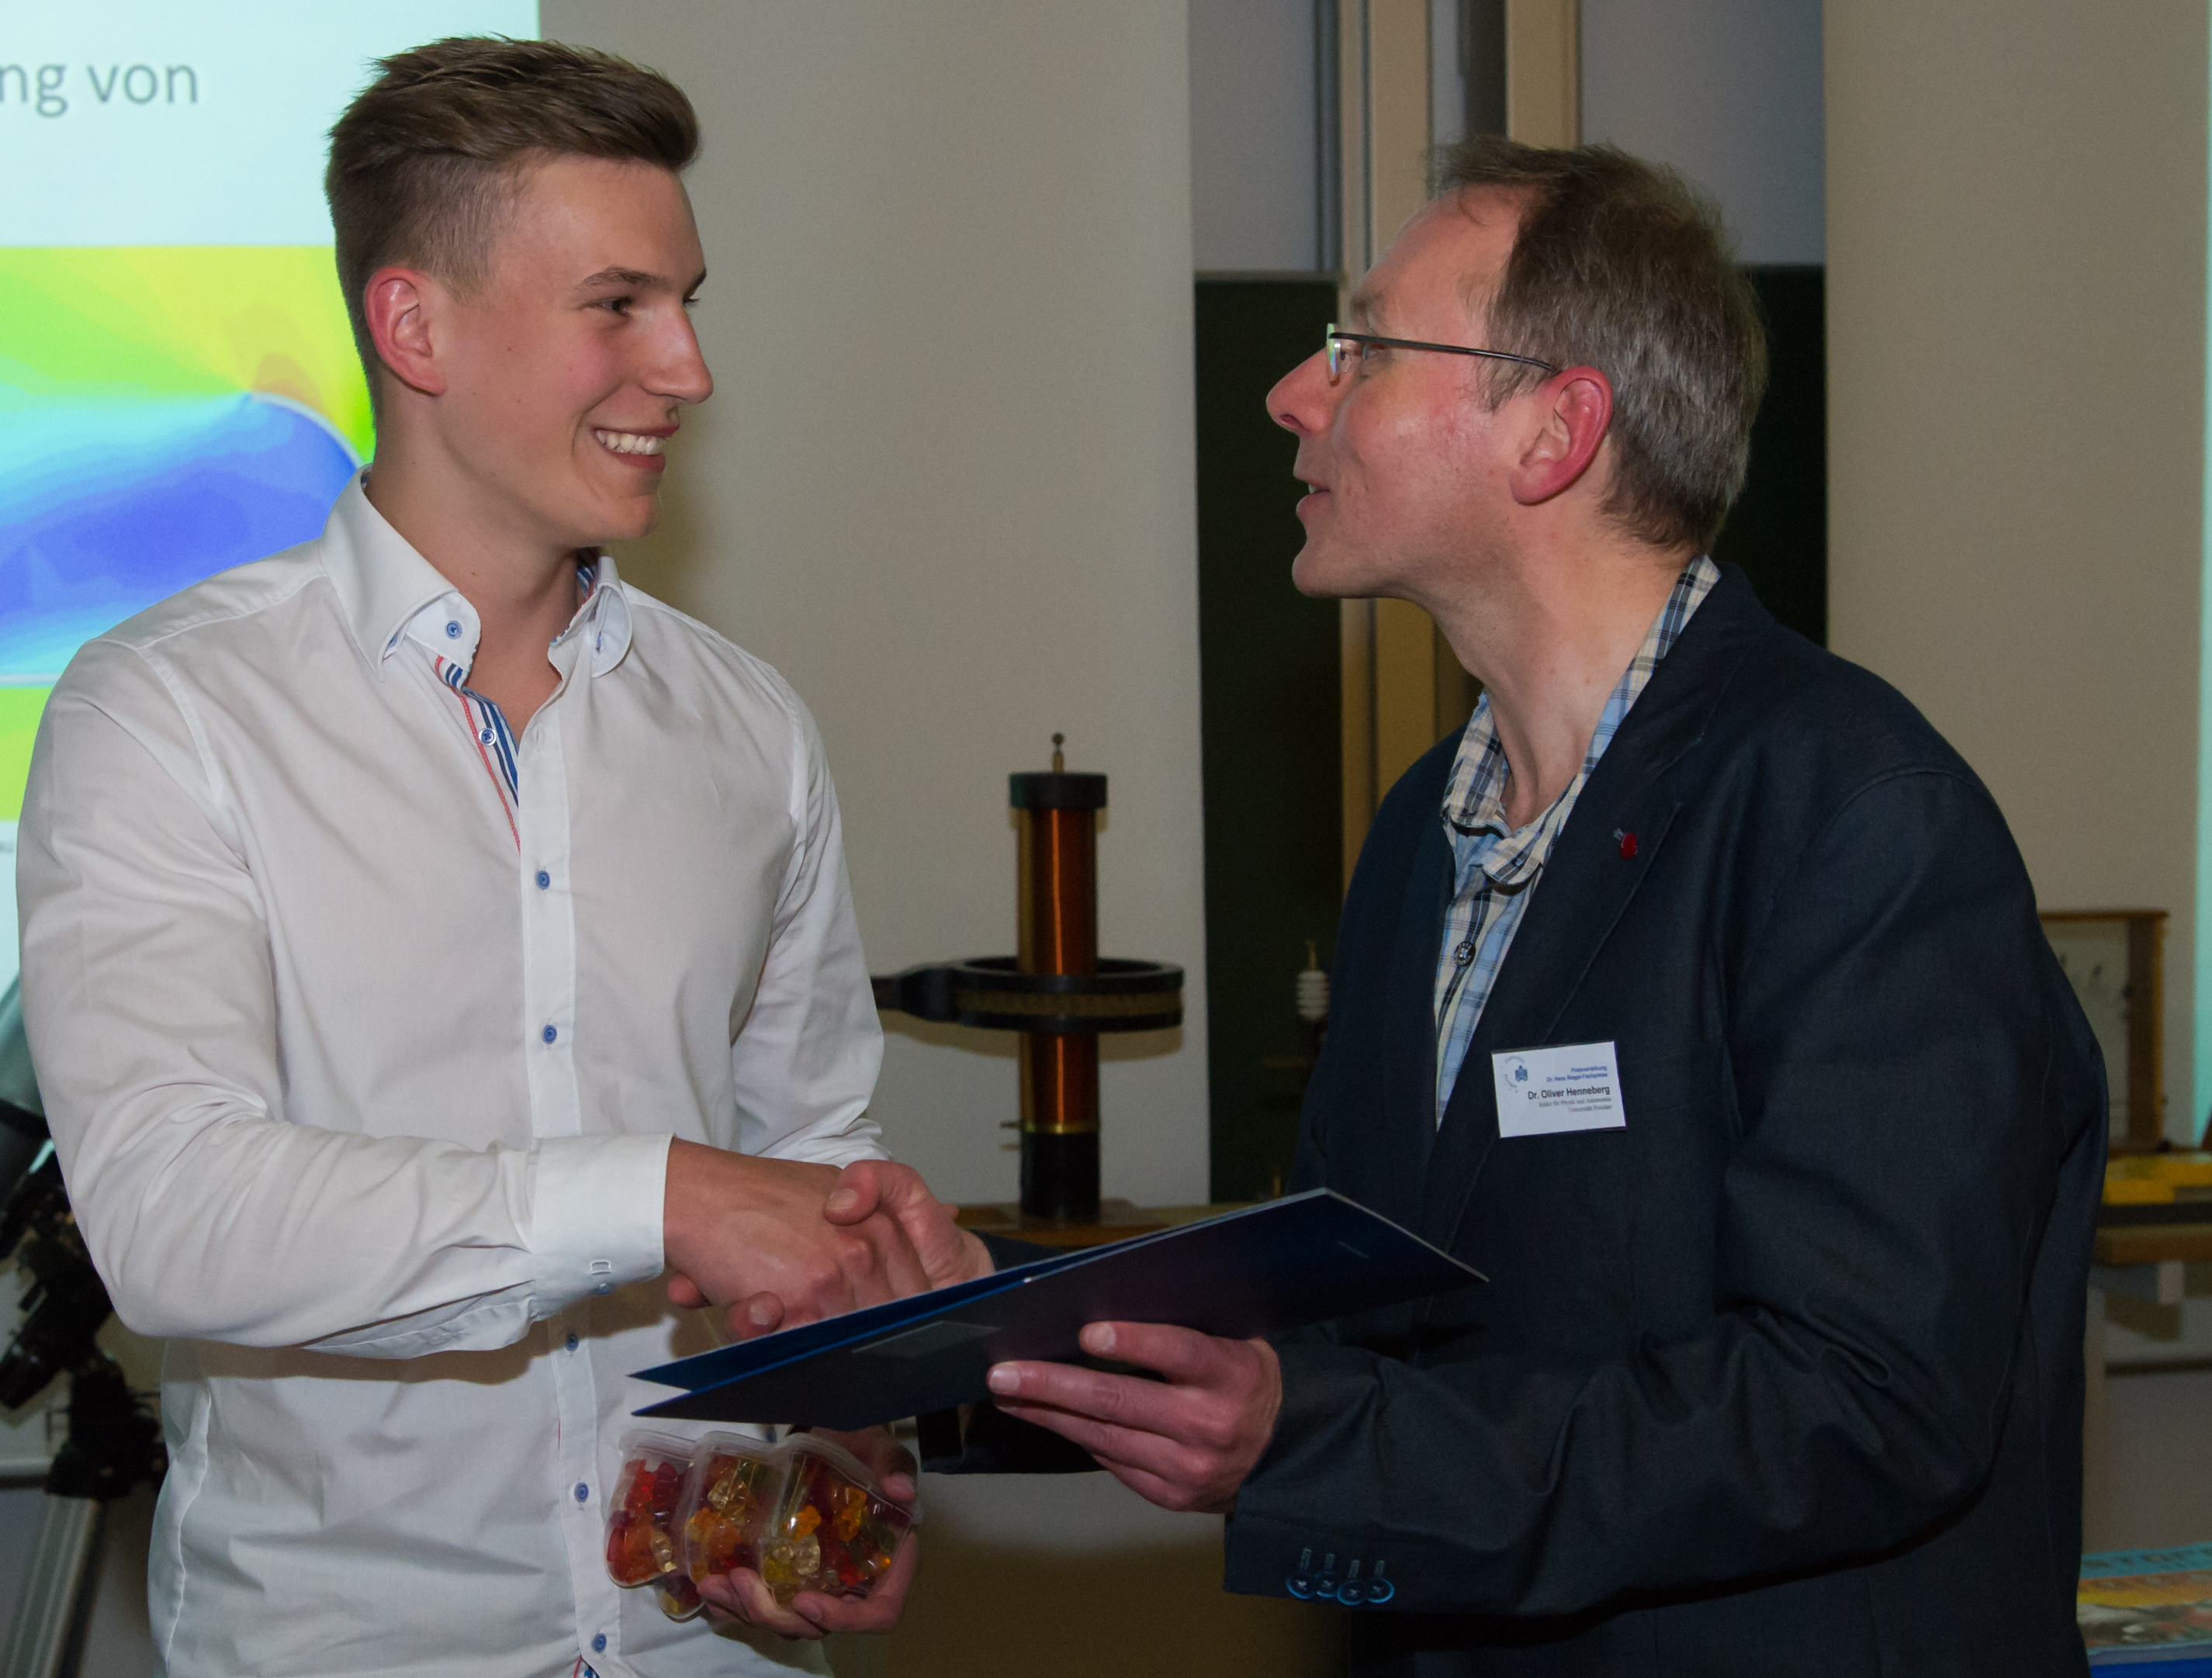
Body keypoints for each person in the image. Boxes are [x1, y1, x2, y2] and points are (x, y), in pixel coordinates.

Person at [839, 138, 2107, 1673]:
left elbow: (1861, 1396)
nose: (1291, 395)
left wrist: (1320, 1436)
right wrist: (996, 1327)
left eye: (1363, 347)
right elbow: (1354, 1322)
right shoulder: (1421, 836)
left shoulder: (1852, 818)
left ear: (1556, 430)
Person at [18, 38, 940, 1676]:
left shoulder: (747, 728)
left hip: (707, 1641)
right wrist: (662, 1194)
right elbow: (174, 1213)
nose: (687, 367)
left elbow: (810, 1159)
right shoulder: (166, 712)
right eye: (618, 305)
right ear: (414, 327)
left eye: (686, 302)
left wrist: (848, 1444)